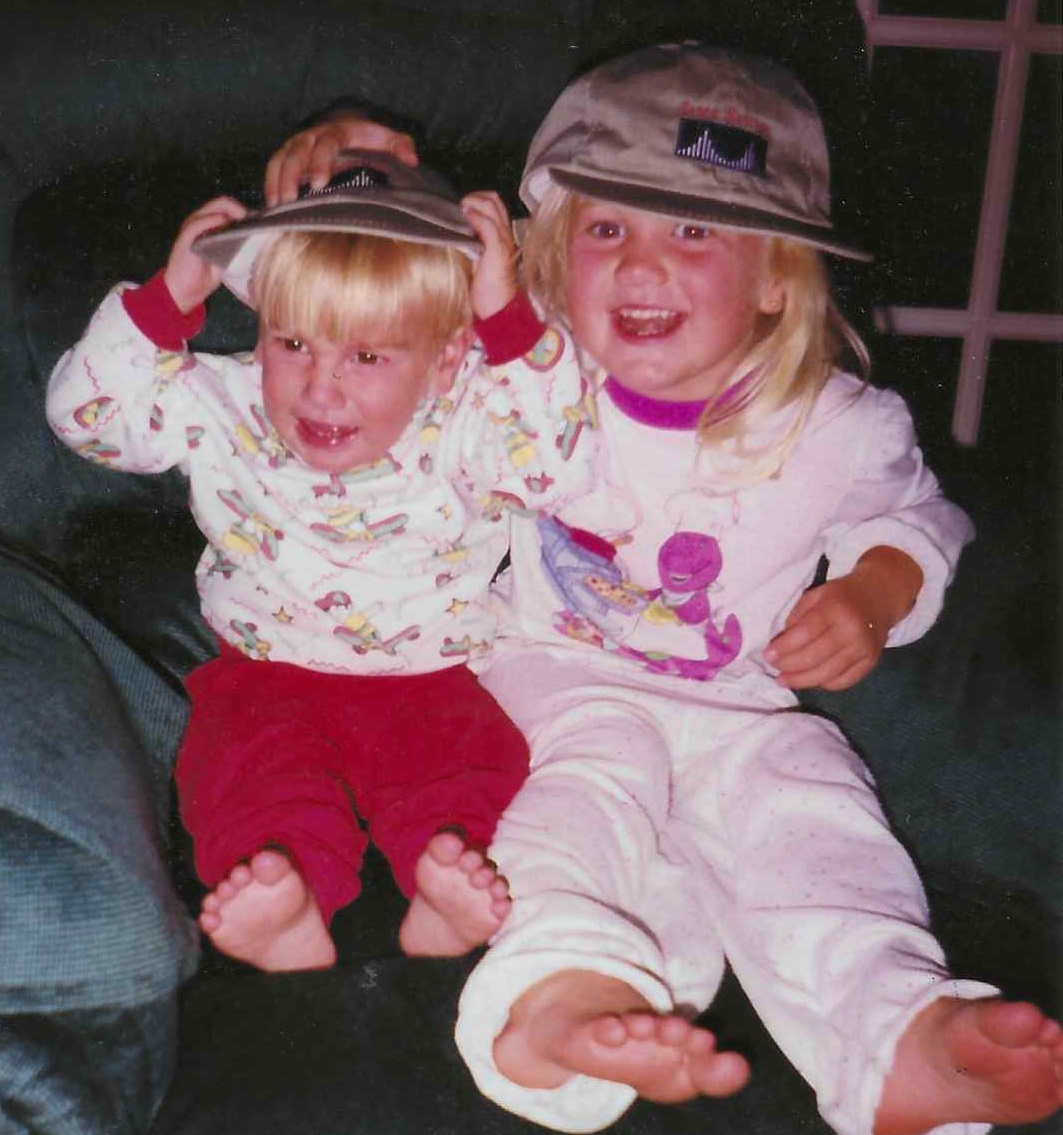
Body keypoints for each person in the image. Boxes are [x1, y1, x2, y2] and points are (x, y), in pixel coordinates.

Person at [266, 43, 1063, 1135]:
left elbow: (918, 519)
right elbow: (394, 276)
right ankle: (562, 994)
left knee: (811, 805)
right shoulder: (528, 371)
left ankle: (895, 1036)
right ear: (551, 256)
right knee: (594, 794)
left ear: (779, 272)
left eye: (694, 229)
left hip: (738, 708)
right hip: (548, 680)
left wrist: (875, 592)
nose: (640, 266)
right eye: (606, 229)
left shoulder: (840, 425)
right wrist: (355, 140)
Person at [46, 150, 595, 973]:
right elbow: (84, 420)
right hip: (266, 672)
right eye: (293, 342)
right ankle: (289, 892)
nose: (320, 389)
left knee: (479, 766)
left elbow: (559, 467)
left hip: (432, 680)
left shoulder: (471, 417)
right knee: (243, 772)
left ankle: (441, 889)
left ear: (445, 358)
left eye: (368, 357)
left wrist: (504, 316)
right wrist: (165, 304)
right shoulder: (219, 401)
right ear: (261, 325)